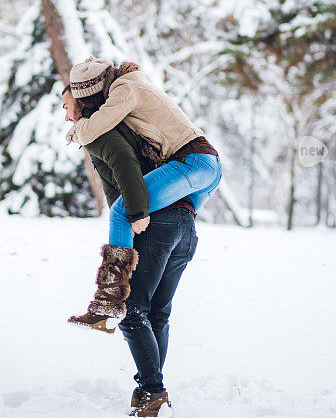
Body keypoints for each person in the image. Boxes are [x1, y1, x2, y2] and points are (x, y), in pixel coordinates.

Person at [61, 86, 198, 417]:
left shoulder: (97, 129)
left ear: (83, 104)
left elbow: (124, 166)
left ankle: (154, 392)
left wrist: (136, 213)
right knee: (156, 313)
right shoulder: (125, 124)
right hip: (185, 223)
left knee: (133, 310)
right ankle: (147, 389)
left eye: (67, 106)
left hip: (158, 223)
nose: (66, 115)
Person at [65, 57, 221, 323]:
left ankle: (108, 300)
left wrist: (74, 132)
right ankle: (149, 294)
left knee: (121, 212)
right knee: (173, 221)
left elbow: (96, 126)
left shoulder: (125, 88)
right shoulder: (133, 84)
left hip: (192, 161)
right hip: (210, 167)